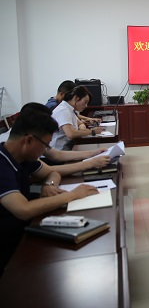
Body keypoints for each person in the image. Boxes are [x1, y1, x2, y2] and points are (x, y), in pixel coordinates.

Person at [0, 109, 99, 274]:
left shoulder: (22, 156)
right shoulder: (2, 163)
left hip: (25, 228)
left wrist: (49, 185)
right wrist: (73, 194)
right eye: (45, 145)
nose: (45, 151)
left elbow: (52, 172)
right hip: (8, 243)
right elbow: (23, 210)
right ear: (29, 140)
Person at [50, 86, 104, 151]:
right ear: (76, 98)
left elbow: (80, 123)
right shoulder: (63, 110)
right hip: (58, 151)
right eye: (85, 102)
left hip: (67, 147)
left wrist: (82, 129)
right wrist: (92, 131)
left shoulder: (70, 109)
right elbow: (71, 134)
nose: (86, 106)